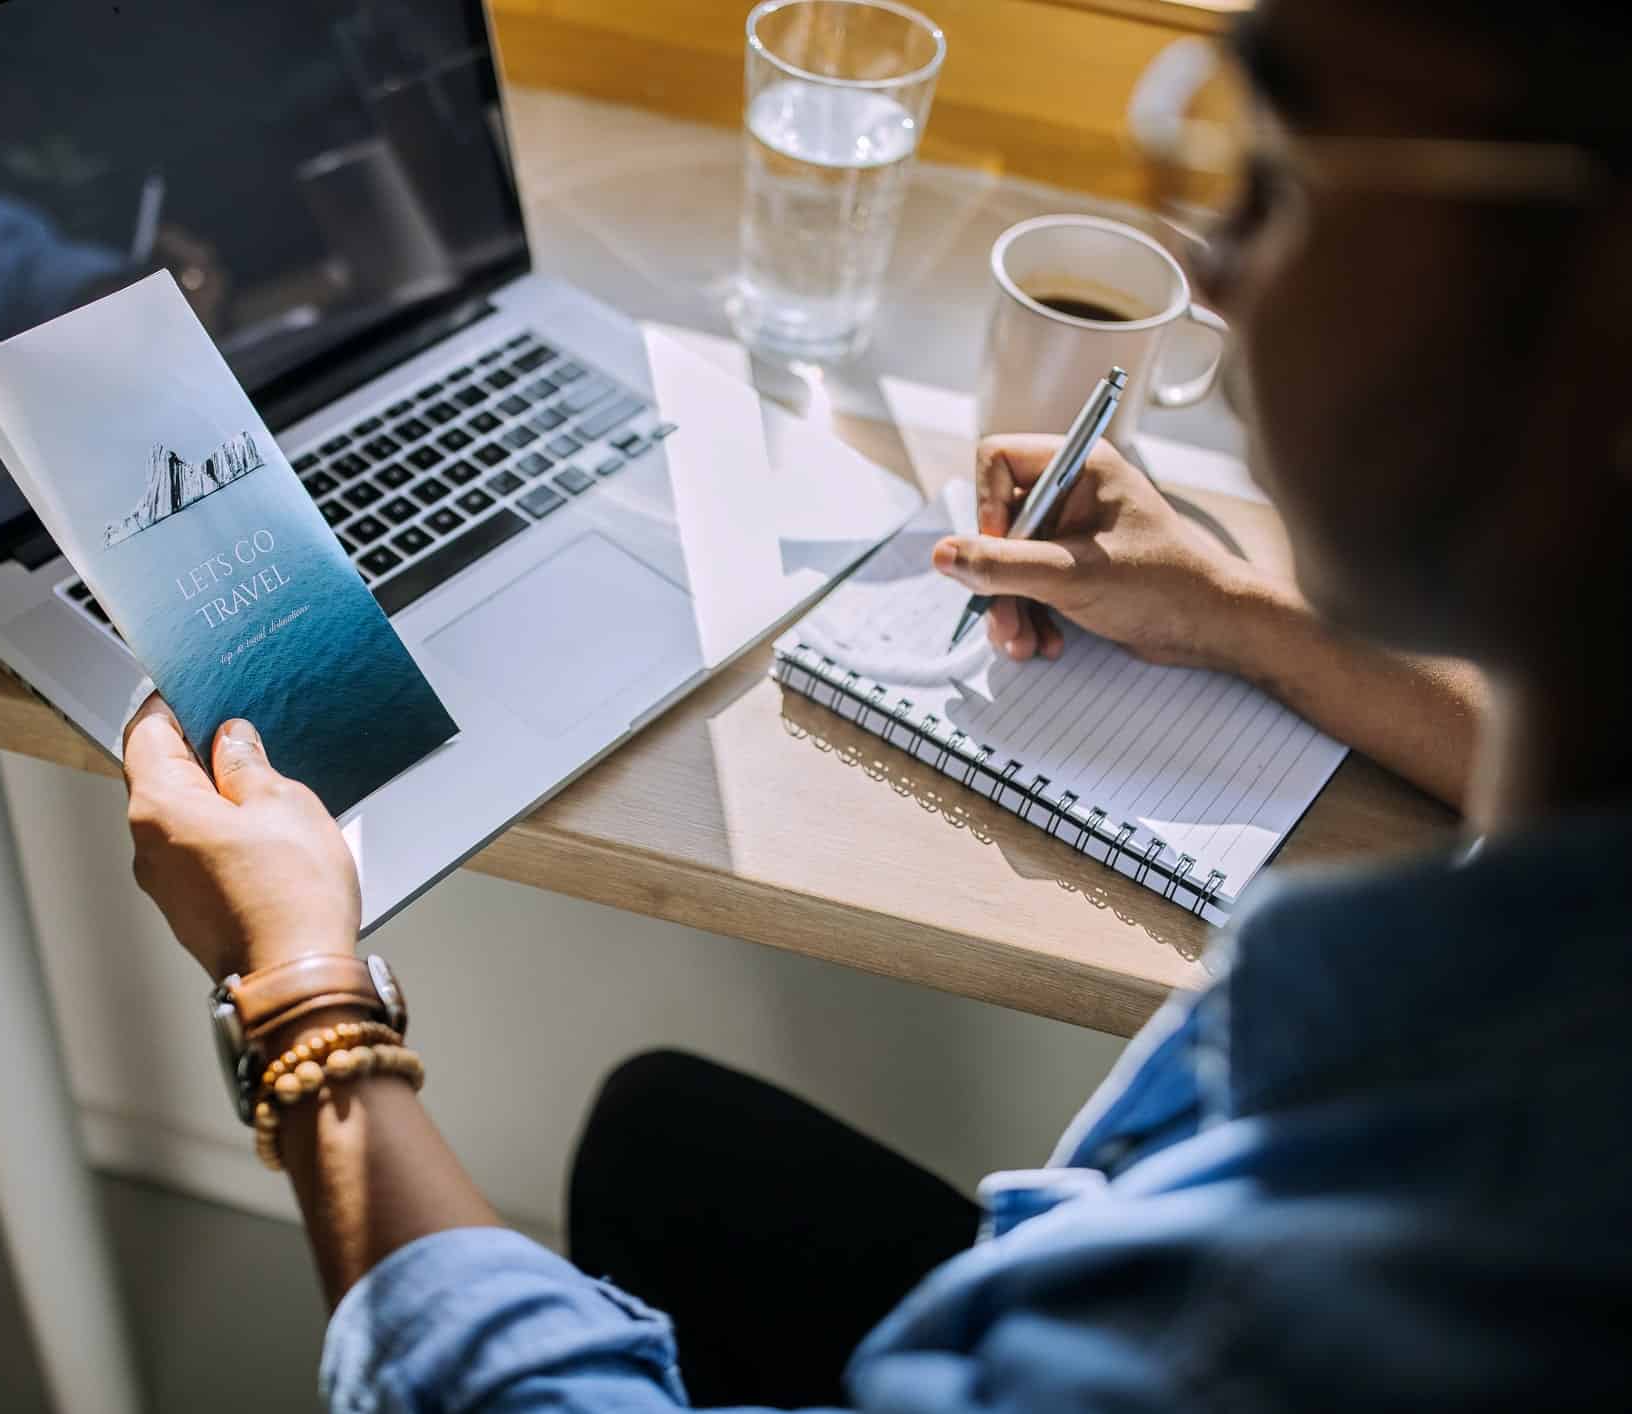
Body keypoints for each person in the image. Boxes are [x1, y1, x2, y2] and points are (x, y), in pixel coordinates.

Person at [118, 0, 1632, 1406]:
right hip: (1086, 1224)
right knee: (666, 1139)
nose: (1218, 262)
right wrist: (1252, 620)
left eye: (1287, 169)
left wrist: (304, 995)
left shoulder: (1314, 1310)